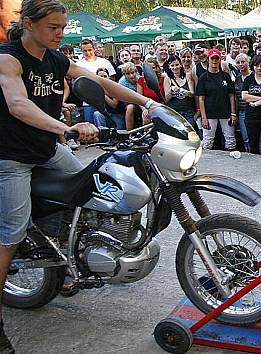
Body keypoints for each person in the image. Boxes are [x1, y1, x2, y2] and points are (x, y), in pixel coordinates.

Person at [0, 1, 158, 352]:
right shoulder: (8, 58)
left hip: (45, 151)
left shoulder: (55, 59)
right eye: (53, 27)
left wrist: (151, 105)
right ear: (28, 23)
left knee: (90, 189)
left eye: (63, 27)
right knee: (10, 234)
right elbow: (18, 104)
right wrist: (67, 129)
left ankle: (65, 255)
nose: (60, 33)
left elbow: (99, 81)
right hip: (10, 157)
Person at [196, 48, 236, 150]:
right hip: (210, 114)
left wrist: (233, 113)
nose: (214, 61)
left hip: (226, 113)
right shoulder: (203, 78)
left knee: (230, 140)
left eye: (216, 58)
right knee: (207, 141)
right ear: (208, 59)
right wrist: (204, 118)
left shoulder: (226, 76)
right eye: (212, 58)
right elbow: (201, 98)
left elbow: (231, 95)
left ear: (220, 60)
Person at [164, 55, 196, 133]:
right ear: (169, 66)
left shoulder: (187, 76)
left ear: (181, 65)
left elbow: (192, 94)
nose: (175, 67)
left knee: (190, 133)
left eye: (177, 65)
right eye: (172, 65)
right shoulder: (167, 79)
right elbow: (166, 99)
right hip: (174, 112)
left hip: (188, 111)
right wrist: (171, 91)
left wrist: (185, 92)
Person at [137, 57, 165, 125]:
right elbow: (139, 98)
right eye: (149, 69)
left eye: (153, 68)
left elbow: (165, 98)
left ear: (157, 68)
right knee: (146, 116)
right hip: (147, 108)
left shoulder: (163, 79)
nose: (151, 71)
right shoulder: (141, 80)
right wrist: (144, 109)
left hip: (160, 107)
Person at [234, 53, 252, 151]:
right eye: (238, 62)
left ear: (248, 62)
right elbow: (236, 96)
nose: (241, 64)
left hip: (254, 110)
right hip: (242, 111)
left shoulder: (254, 75)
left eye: (243, 62)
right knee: (245, 137)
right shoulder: (237, 78)